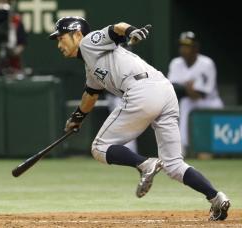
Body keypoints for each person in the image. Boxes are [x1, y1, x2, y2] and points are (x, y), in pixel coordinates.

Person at [49, 17, 230, 221]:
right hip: (164, 90)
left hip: (142, 91)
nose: (59, 44)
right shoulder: (91, 65)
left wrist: (131, 32)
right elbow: (90, 94)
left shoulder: (89, 42)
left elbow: (116, 28)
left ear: (77, 34)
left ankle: (145, 163)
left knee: (99, 147)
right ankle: (216, 197)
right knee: (173, 165)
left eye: (61, 37)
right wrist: (77, 117)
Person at [167, 31, 223, 152]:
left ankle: (216, 150)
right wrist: (188, 89)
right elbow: (172, 89)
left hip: (209, 102)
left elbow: (201, 94)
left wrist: (187, 89)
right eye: (182, 46)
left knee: (188, 102)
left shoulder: (207, 63)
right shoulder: (176, 63)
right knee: (185, 103)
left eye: (187, 46)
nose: (183, 49)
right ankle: (182, 147)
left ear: (196, 48)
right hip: (189, 100)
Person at [0, 0, 27, 75]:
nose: (1, 4)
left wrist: (13, 52)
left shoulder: (16, 20)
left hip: (12, 67)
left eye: (4, 2)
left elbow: (22, 43)